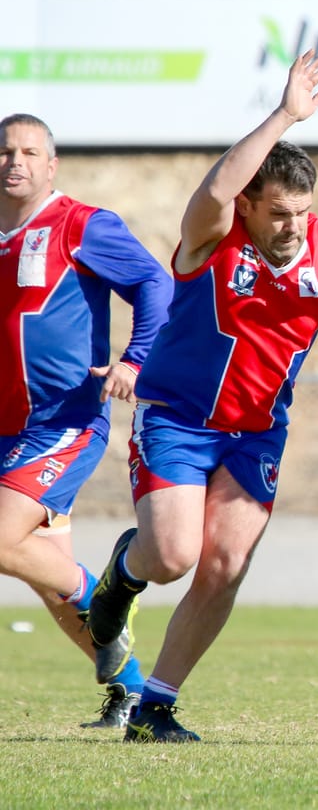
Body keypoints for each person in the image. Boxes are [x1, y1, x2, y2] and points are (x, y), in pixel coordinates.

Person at [86, 49, 318, 743]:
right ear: (248, 205)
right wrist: (284, 115)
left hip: (256, 432)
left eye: (302, 212)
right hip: (178, 420)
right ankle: (122, 579)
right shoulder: (210, 237)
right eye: (279, 213)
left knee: (225, 564)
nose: (294, 226)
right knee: (171, 557)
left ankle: (156, 708)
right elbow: (214, 189)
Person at [0, 113, 172, 729]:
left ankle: (109, 601)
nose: (14, 161)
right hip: (6, 430)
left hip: (62, 424)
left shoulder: (81, 224)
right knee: (45, 577)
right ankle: (130, 693)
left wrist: (135, 359)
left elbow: (155, 283)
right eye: (5, 151)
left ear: (51, 166)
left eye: (29, 152)